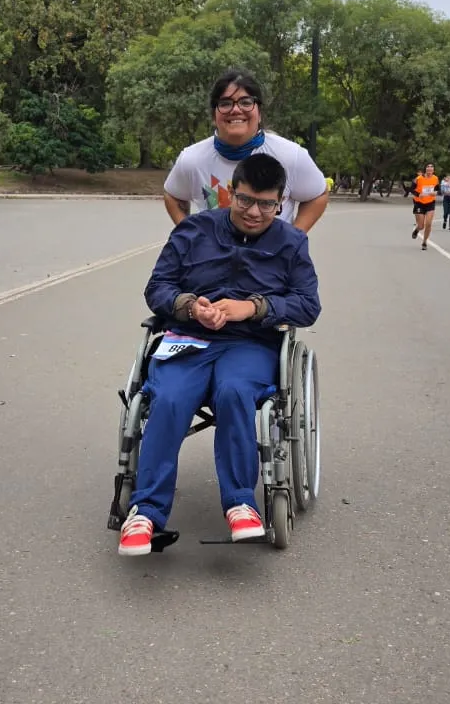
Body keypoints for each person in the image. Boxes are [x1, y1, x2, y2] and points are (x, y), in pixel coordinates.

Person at [119, 153, 321, 556]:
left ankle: (241, 502)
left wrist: (254, 308)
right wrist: (189, 306)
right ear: (231, 192)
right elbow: (157, 288)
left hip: (249, 343)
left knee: (233, 391)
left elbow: (307, 304)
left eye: (266, 204)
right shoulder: (193, 231)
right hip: (188, 336)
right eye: (245, 200)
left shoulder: (291, 243)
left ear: (281, 202)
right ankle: (146, 511)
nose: (254, 212)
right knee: (169, 397)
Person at [163, 69, 329, 233]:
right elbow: (173, 195)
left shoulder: (290, 155)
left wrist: (293, 239)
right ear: (214, 116)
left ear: (259, 113)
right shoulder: (192, 159)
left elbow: (318, 195)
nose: (235, 109)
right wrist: (191, 236)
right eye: (225, 103)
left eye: (246, 102)